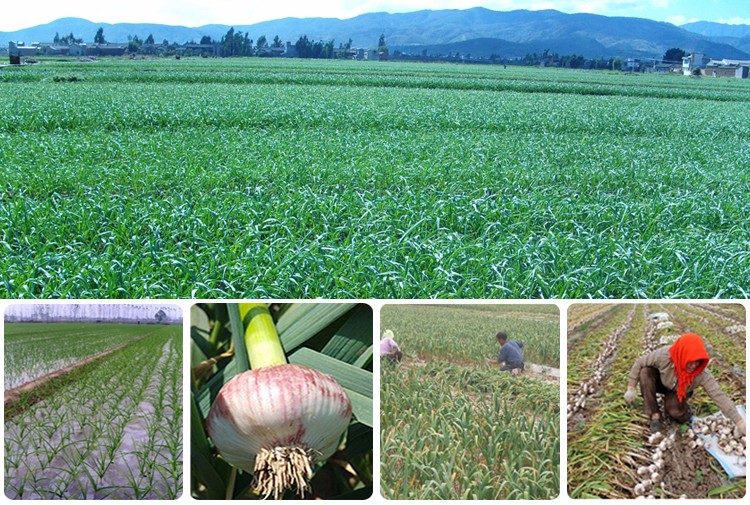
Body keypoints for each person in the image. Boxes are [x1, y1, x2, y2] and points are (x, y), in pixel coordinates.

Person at [624, 332, 746, 434]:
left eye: (697, 362)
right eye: (690, 361)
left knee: (675, 412)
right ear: (682, 355)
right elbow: (639, 362)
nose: (694, 366)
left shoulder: (701, 373)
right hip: (662, 382)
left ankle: (685, 411)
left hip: (680, 391)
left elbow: (718, 395)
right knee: (645, 372)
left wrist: (739, 421)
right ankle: (654, 415)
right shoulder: (664, 355)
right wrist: (631, 387)